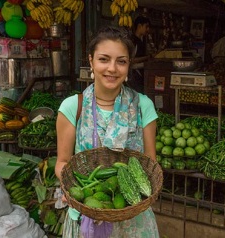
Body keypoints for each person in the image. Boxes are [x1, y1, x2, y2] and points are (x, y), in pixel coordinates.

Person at [55, 26, 159, 237]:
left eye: (121, 61)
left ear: (129, 66)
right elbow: (63, 162)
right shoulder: (73, 107)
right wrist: (74, 189)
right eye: (104, 59)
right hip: (87, 212)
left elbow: (150, 163)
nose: (112, 68)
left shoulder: (143, 106)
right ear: (91, 61)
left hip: (133, 219)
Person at [128, 15, 152, 93]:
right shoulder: (133, 41)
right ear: (139, 26)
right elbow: (130, 60)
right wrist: (147, 57)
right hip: (134, 75)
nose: (148, 29)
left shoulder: (142, 40)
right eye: (146, 26)